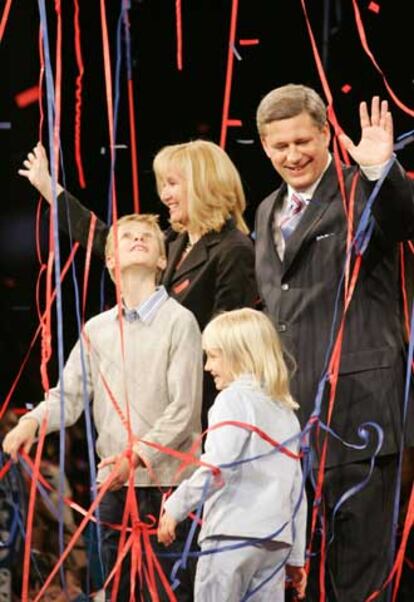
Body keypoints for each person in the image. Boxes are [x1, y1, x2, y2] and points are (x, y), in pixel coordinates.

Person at [254, 83, 414, 601]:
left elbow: (402, 219)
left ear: (326, 134)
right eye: (280, 146)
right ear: (264, 146)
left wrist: (378, 171)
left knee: (361, 572)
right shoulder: (264, 212)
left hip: (360, 417)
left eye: (303, 140)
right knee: (302, 573)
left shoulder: (359, 189)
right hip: (290, 424)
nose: (293, 155)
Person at [3, 213, 203, 601]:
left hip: (170, 488)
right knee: (119, 592)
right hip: (114, 487)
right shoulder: (96, 329)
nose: (138, 239)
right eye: (127, 236)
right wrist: (30, 423)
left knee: (170, 593)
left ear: (163, 260)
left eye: (147, 236)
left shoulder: (180, 321)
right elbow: (69, 397)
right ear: (110, 260)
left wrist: (137, 456)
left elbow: (184, 409)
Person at [19, 139, 258, 428]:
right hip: (153, 402)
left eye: (172, 184)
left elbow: (229, 340)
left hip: (198, 409)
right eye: (163, 185)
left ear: (202, 184)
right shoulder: (173, 240)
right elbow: (107, 240)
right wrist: (49, 189)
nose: (165, 194)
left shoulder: (234, 249)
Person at [158, 308, 307, 602]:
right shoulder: (286, 411)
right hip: (274, 544)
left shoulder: (232, 399)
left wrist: (175, 506)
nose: (206, 366)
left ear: (240, 354)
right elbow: (296, 490)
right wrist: (296, 556)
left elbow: (218, 468)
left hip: (231, 537)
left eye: (213, 356)